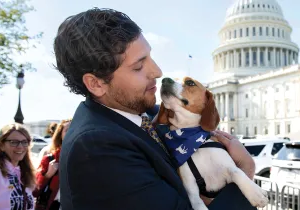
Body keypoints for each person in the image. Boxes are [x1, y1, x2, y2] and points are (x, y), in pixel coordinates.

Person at [54, 8, 256, 210]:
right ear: (96, 84)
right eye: (138, 67)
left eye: (150, 56)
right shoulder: (95, 147)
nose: (157, 71)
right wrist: (244, 171)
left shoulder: (153, 115)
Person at [0, 123, 36, 209]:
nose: (20, 146)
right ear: (1, 146)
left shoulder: (25, 172)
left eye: (24, 142)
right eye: (14, 142)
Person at [33, 119, 71, 210]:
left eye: (75, 129)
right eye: (67, 130)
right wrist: (47, 175)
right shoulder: (49, 159)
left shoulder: (86, 159)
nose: (71, 133)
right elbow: (34, 191)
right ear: (60, 135)